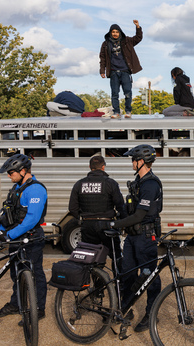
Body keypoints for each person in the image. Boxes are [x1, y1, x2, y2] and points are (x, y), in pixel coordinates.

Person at [109, 144, 162, 332]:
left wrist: (114, 225)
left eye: (133, 159)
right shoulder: (138, 182)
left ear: (141, 162)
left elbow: (140, 215)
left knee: (149, 277)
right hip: (133, 236)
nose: (131, 162)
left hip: (146, 237)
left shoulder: (150, 184)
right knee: (128, 273)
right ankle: (126, 308)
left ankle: (151, 314)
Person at [0, 154, 48, 323]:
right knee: (16, 274)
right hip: (16, 240)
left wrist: (9, 235)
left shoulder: (36, 189)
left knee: (35, 274)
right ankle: (16, 304)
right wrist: (0, 231)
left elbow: (31, 219)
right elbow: (7, 214)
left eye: (11, 173)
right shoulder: (16, 188)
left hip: (31, 239)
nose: (9, 176)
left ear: (23, 171)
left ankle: (38, 309)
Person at [68, 155, 126, 270]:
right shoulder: (110, 183)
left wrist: (82, 218)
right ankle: (119, 283)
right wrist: (123, 222)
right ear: (103, 167)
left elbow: (72, 208)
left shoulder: (79, 184)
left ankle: (97, 285)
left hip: (88, 226)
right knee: (116, 256)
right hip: (107, 225)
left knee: (91, 258)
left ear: (90, 167)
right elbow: (120, 205)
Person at [99, 20, 143, 119]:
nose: (115, 34)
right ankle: (116, 112)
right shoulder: (105, 44)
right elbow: (102, 58)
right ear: (110, 33)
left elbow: (138, 38)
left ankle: (128, 111)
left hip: (125, 71)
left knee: (127, 92)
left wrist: (138, 27)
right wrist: (102, 70)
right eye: (113, 32)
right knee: (114, 93)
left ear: (120, 32)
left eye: (117, 32)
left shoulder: (126, 41)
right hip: (113, 71)